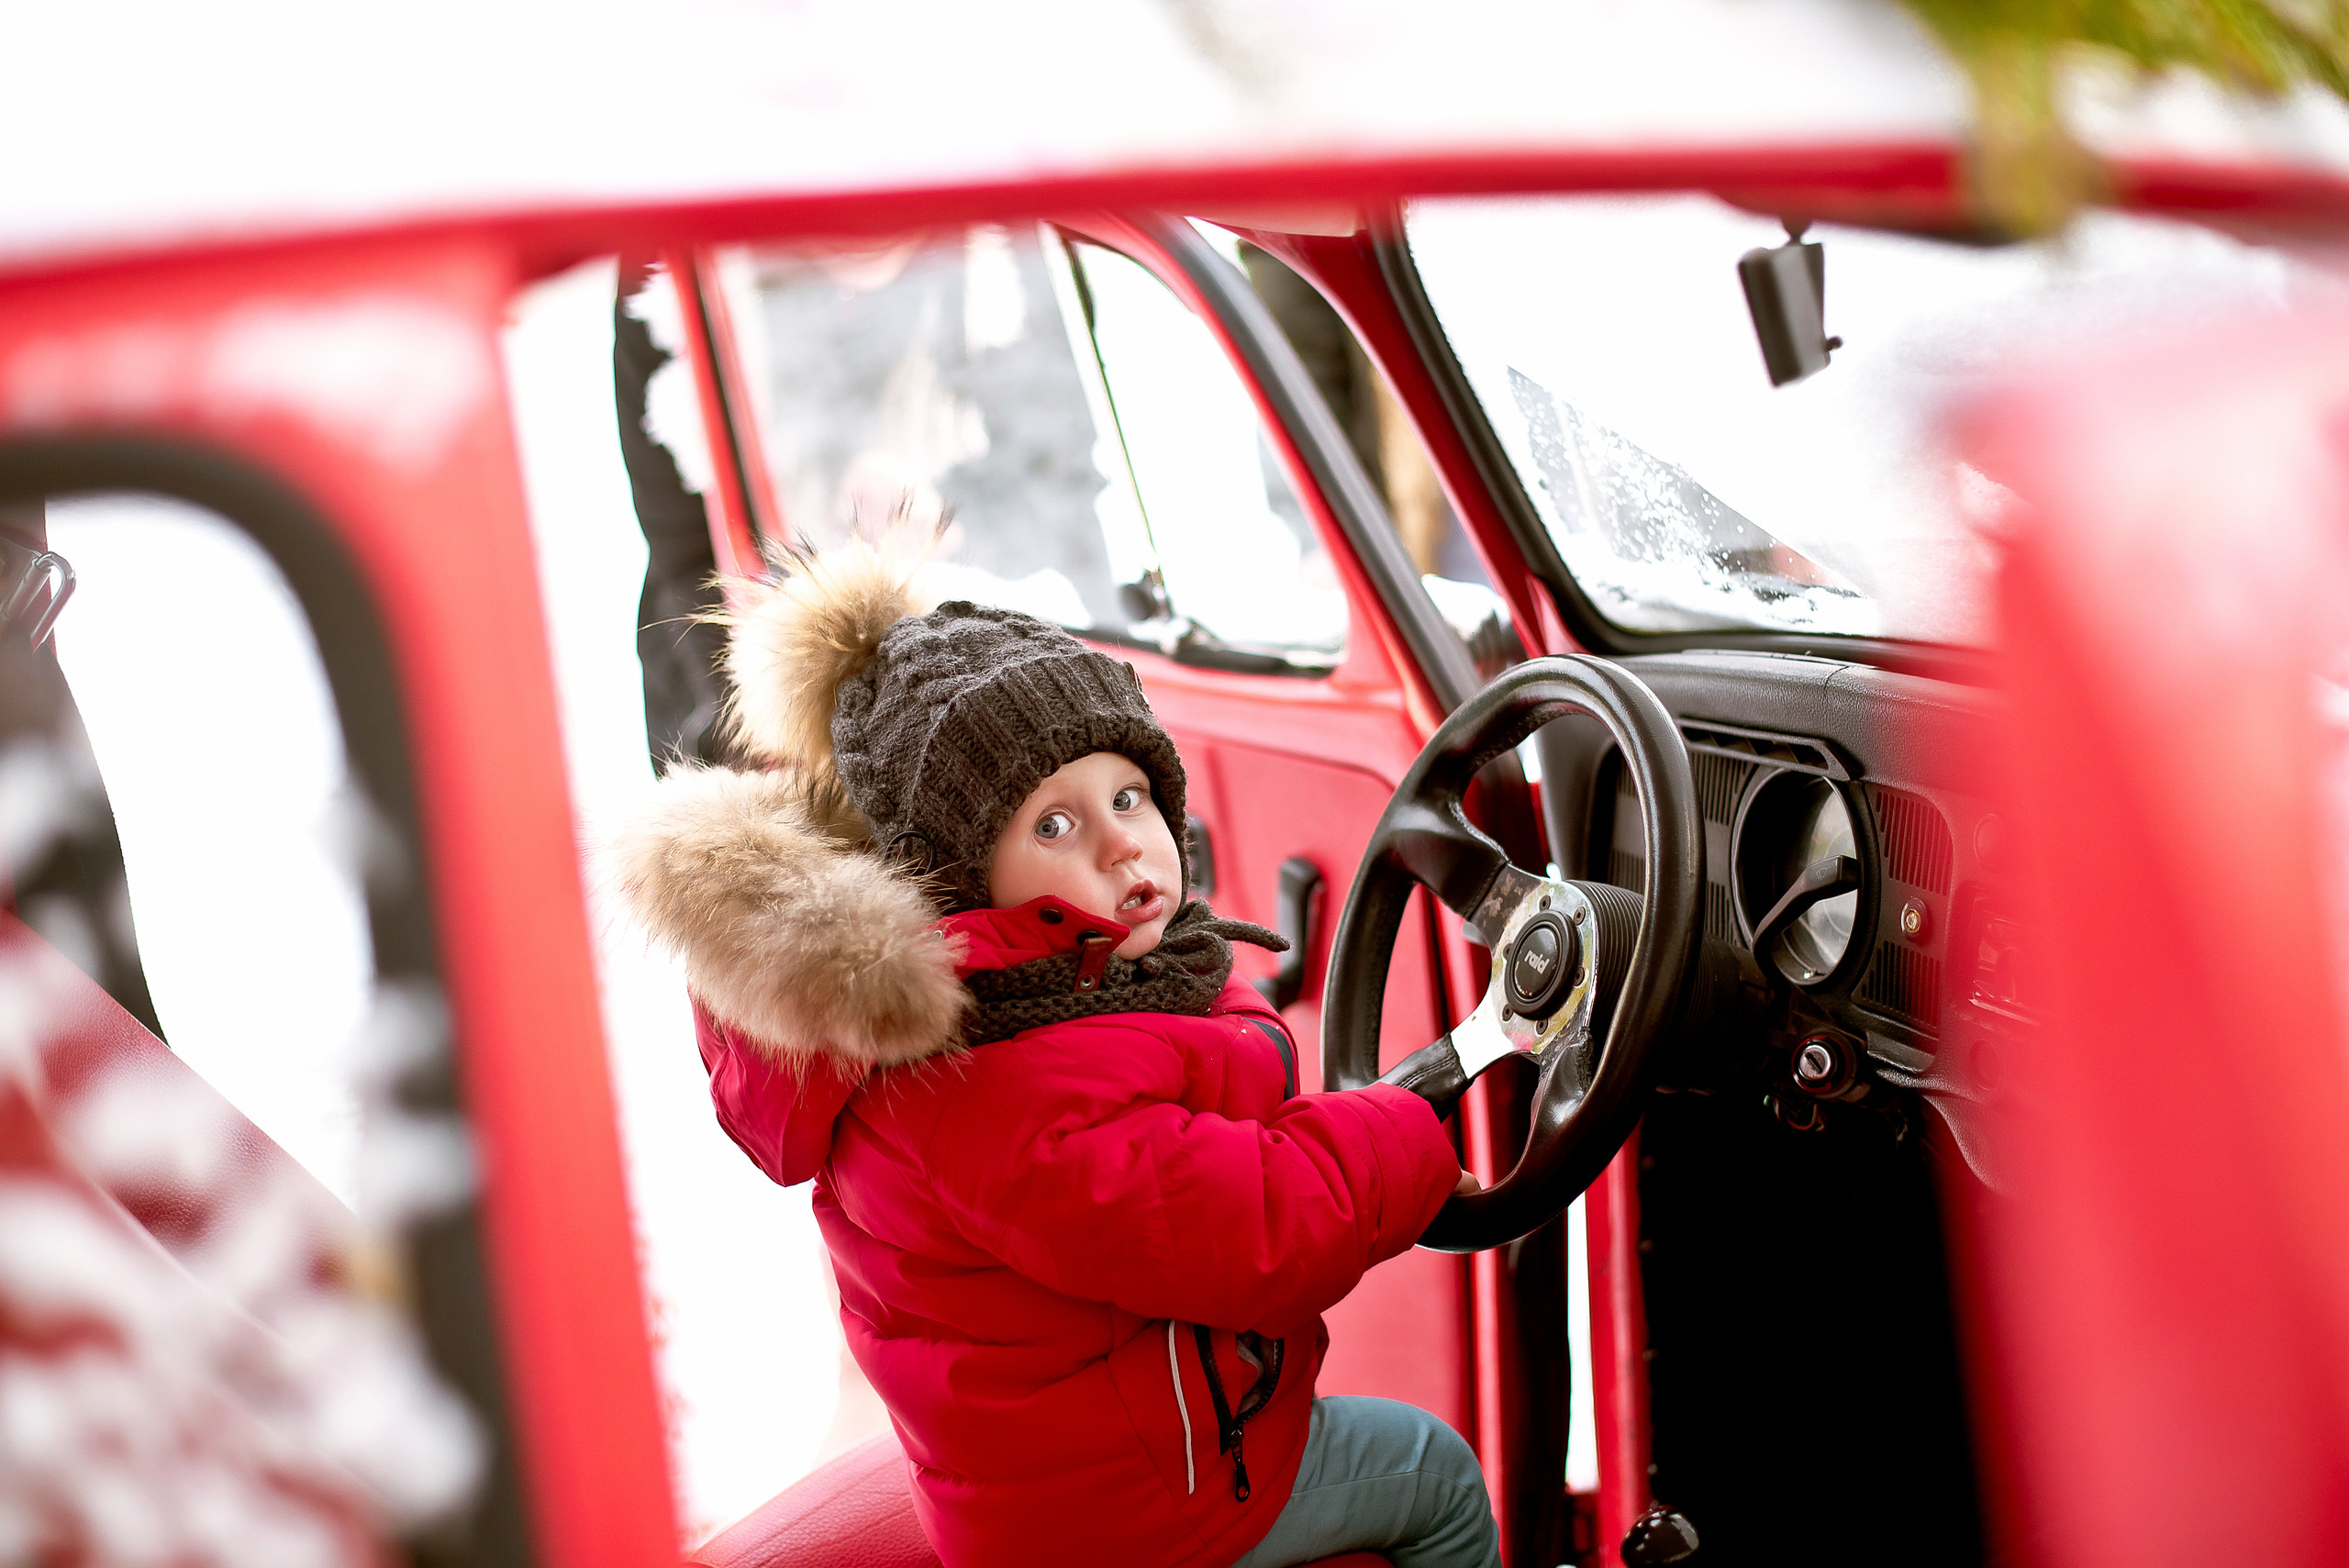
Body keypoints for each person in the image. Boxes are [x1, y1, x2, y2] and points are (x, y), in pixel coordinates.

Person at [613, 534, 1500, 1568]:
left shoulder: (1028, 1004)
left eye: (1128, 798)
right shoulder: (985, 1085)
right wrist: (1406, 1143)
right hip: (1122, 1511)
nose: (1121, 842)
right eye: (1056, 823)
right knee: (1433, 1472)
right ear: (959, 876)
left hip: (1084, 1459)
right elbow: (1240, 1226)